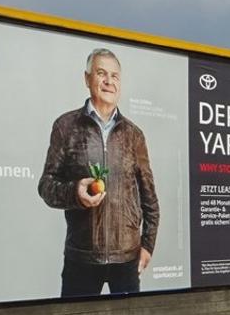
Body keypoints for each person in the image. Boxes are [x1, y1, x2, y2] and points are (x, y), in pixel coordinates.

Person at [39, 48, 159, 297]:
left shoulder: (134, 135)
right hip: (81, 258)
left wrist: (147, 245)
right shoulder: (66, 127)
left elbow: (150, 197)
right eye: (101, 73)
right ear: (87, 79)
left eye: (114, 76)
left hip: (126, 259)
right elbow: (46, 186)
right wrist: (75, 192)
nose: (108, 81)